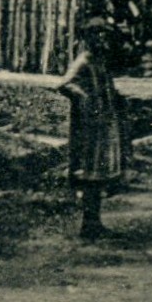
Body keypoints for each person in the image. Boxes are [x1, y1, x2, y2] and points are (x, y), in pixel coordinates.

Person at [57, 17, 127, 240]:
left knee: (100, 173)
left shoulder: (99, 61)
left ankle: (94, 222)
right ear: (89, 38)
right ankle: (88, 224)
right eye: (97, 35)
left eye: (104, 35)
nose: (102, 39)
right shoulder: (84, 61)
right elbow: (64, 84)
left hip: (104, 124)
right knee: (90, 172)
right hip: (90, 128)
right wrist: (83, 97)